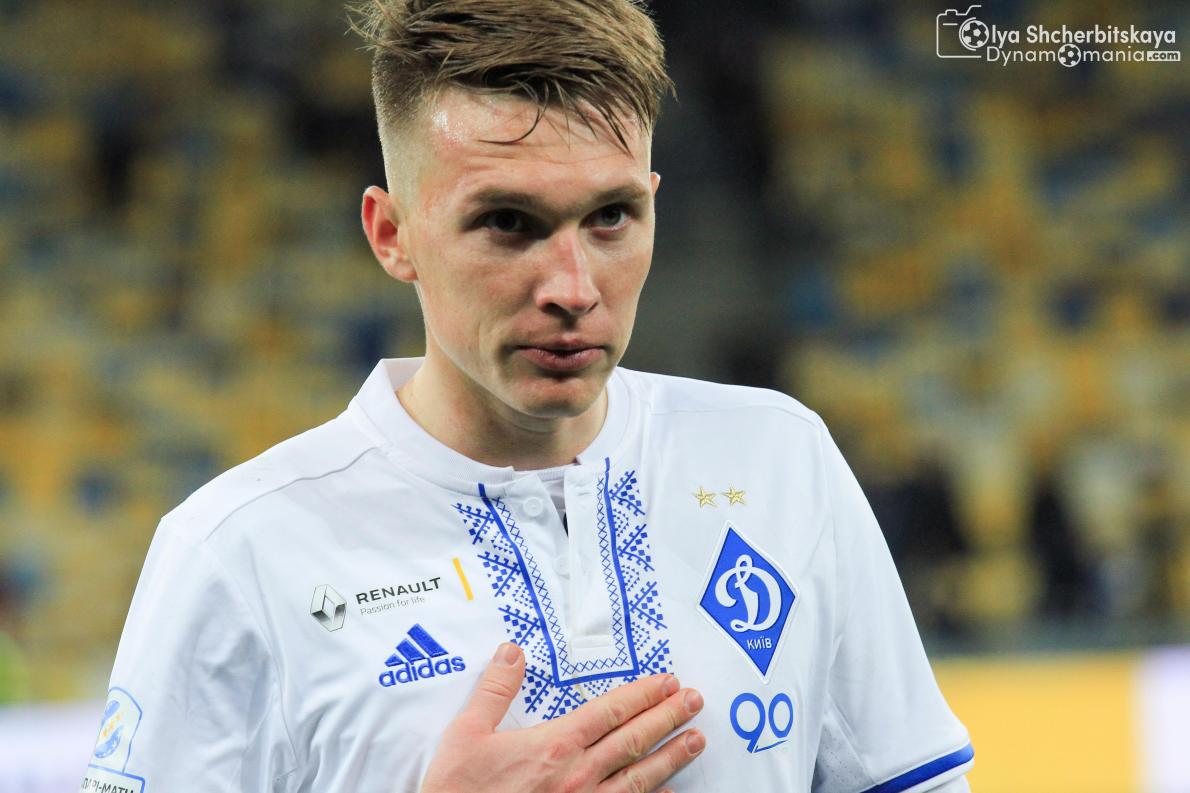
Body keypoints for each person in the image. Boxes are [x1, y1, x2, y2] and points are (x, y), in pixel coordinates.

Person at [82, 1, 973, 791]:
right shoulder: (237, 552)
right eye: (509, 222)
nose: (573, 287)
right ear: (392, 234)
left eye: (611, 216)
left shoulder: (782, 460)